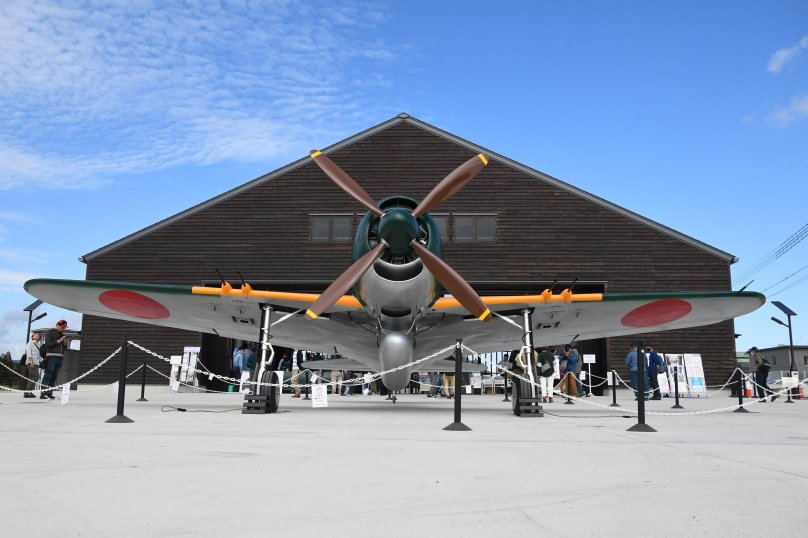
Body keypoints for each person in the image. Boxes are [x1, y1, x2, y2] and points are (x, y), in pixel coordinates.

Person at [41, 320, 71, 399]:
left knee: (54, 376)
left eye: (64, 327)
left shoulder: (62, 334)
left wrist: (65, 343)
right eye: (62, 327)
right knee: (48, 375)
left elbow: (64, 348)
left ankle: (49, 392)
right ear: (57, 325)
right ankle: (43, 393)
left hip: (60, 357)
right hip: (51, 356)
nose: (63, 329)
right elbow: (48, 344)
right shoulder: (50, 332)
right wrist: (59, 341)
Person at [23, 332, 42, 398]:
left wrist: (41, 362)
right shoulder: (30, 344)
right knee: (36, 376)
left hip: (36, 363)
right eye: (35, 335)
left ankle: (28, 392)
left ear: (39, 338)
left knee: (32, 377)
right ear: (32, 337)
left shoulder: (39, 345)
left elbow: (39, 355)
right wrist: (31, 362)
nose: (37, 335)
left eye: (38, 335)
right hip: (31, 362)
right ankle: (28, 391)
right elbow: (29, 353)